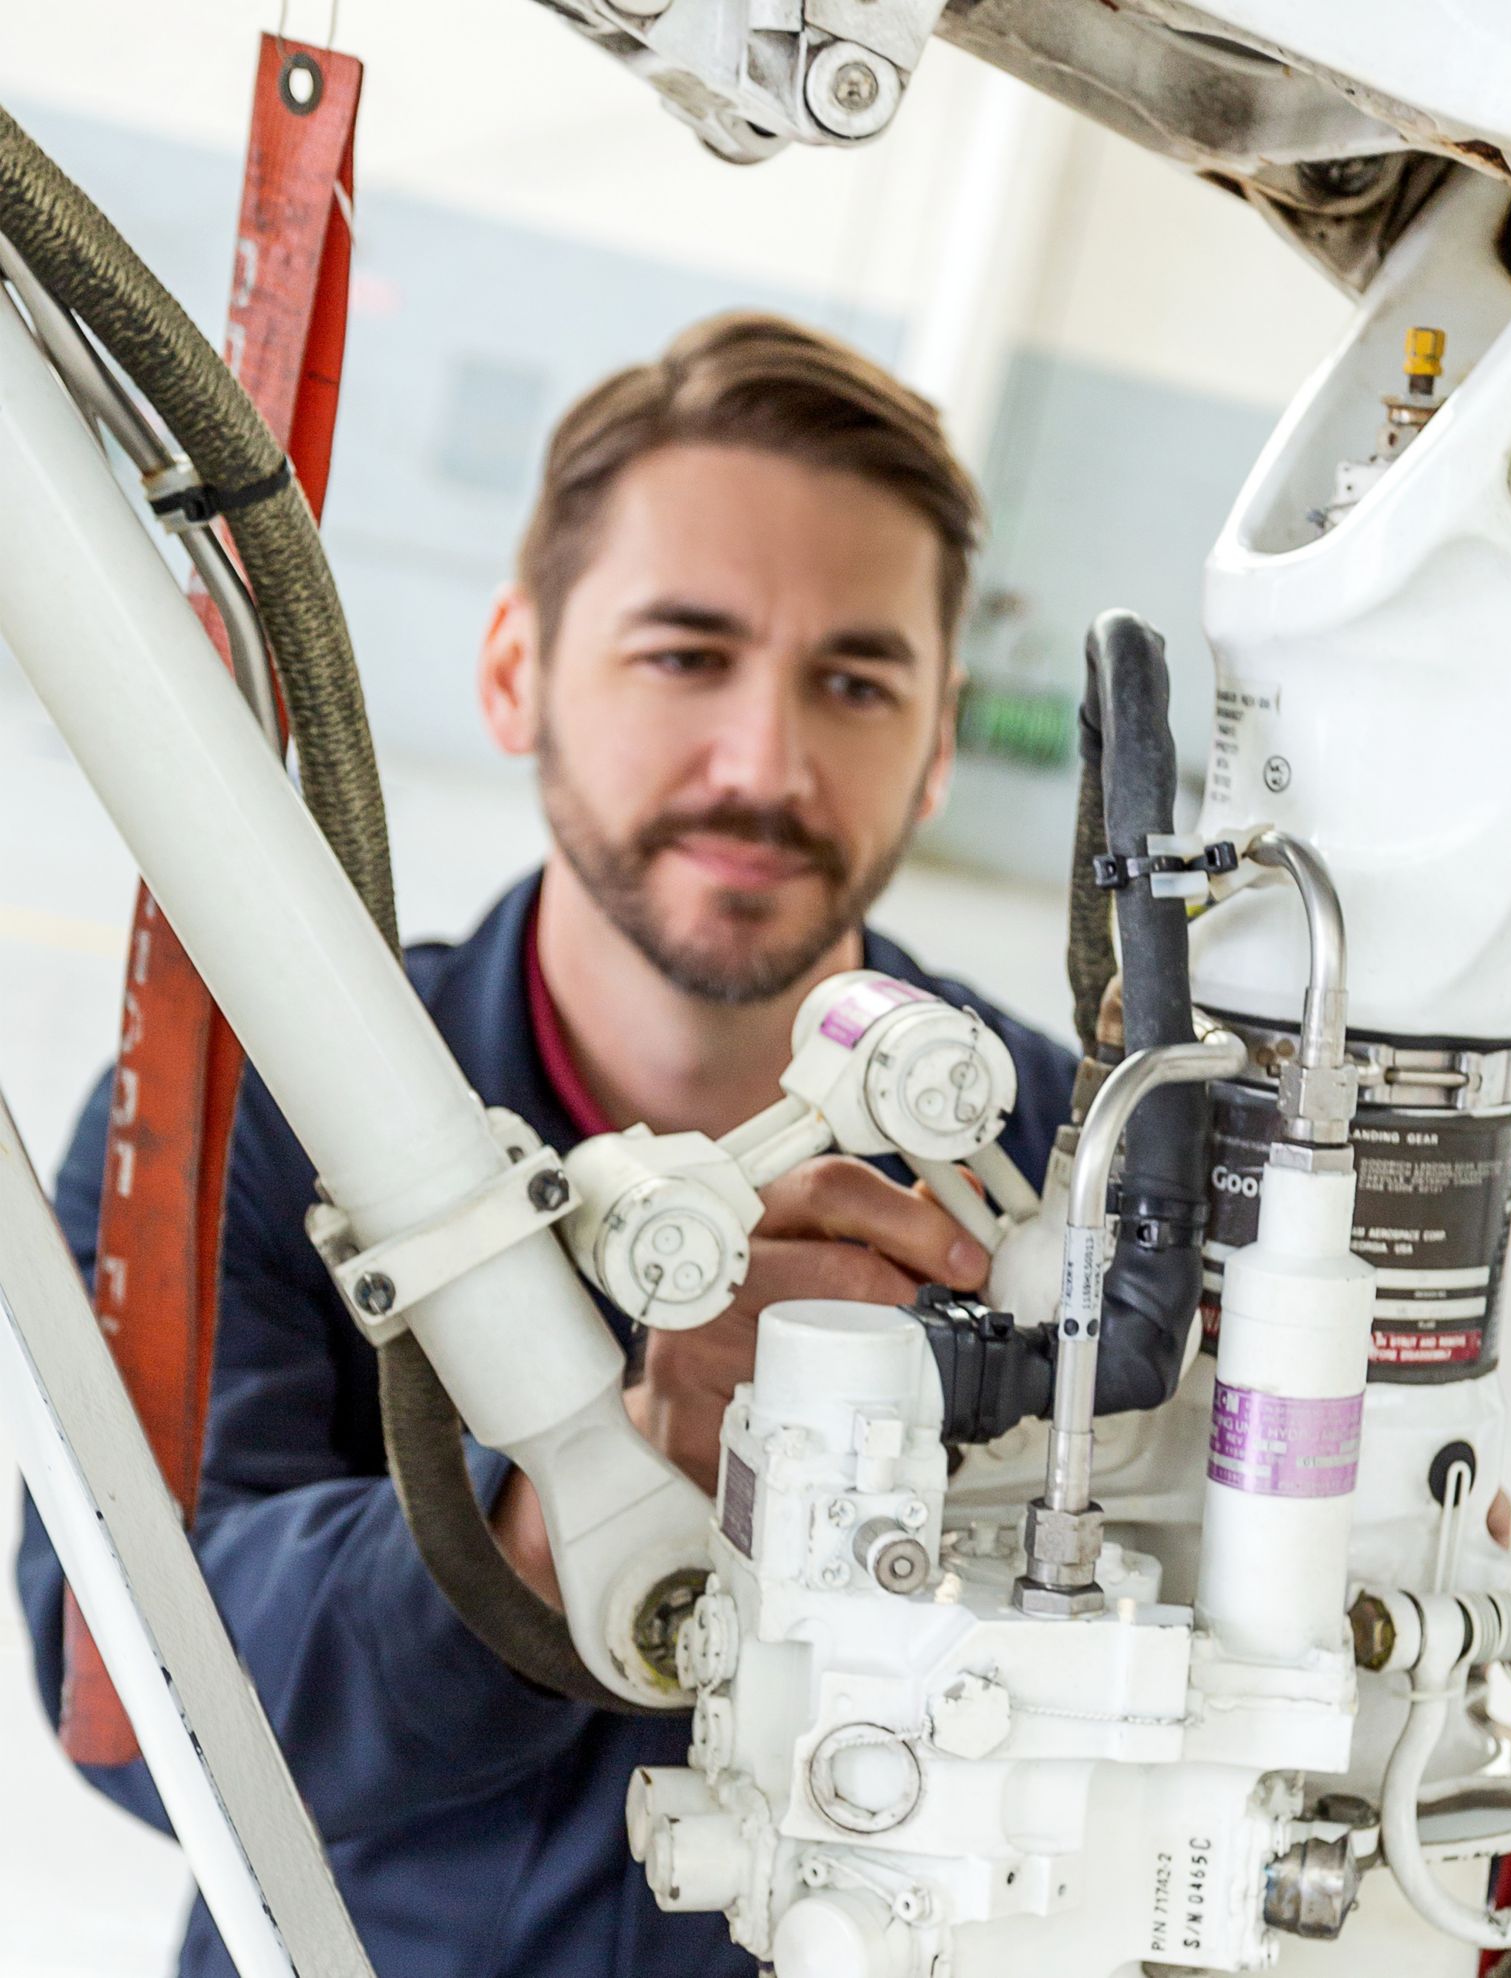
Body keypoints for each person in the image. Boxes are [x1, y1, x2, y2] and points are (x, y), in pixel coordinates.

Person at [14, 313, 1078, 1978]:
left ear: (940, 741)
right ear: (516, 669)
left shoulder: (1068, 1174)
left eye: (856, 680)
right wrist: (567, 1503)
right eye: (684, 652)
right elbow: (121, 1685)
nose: (765, 763)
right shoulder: (253, 1110)